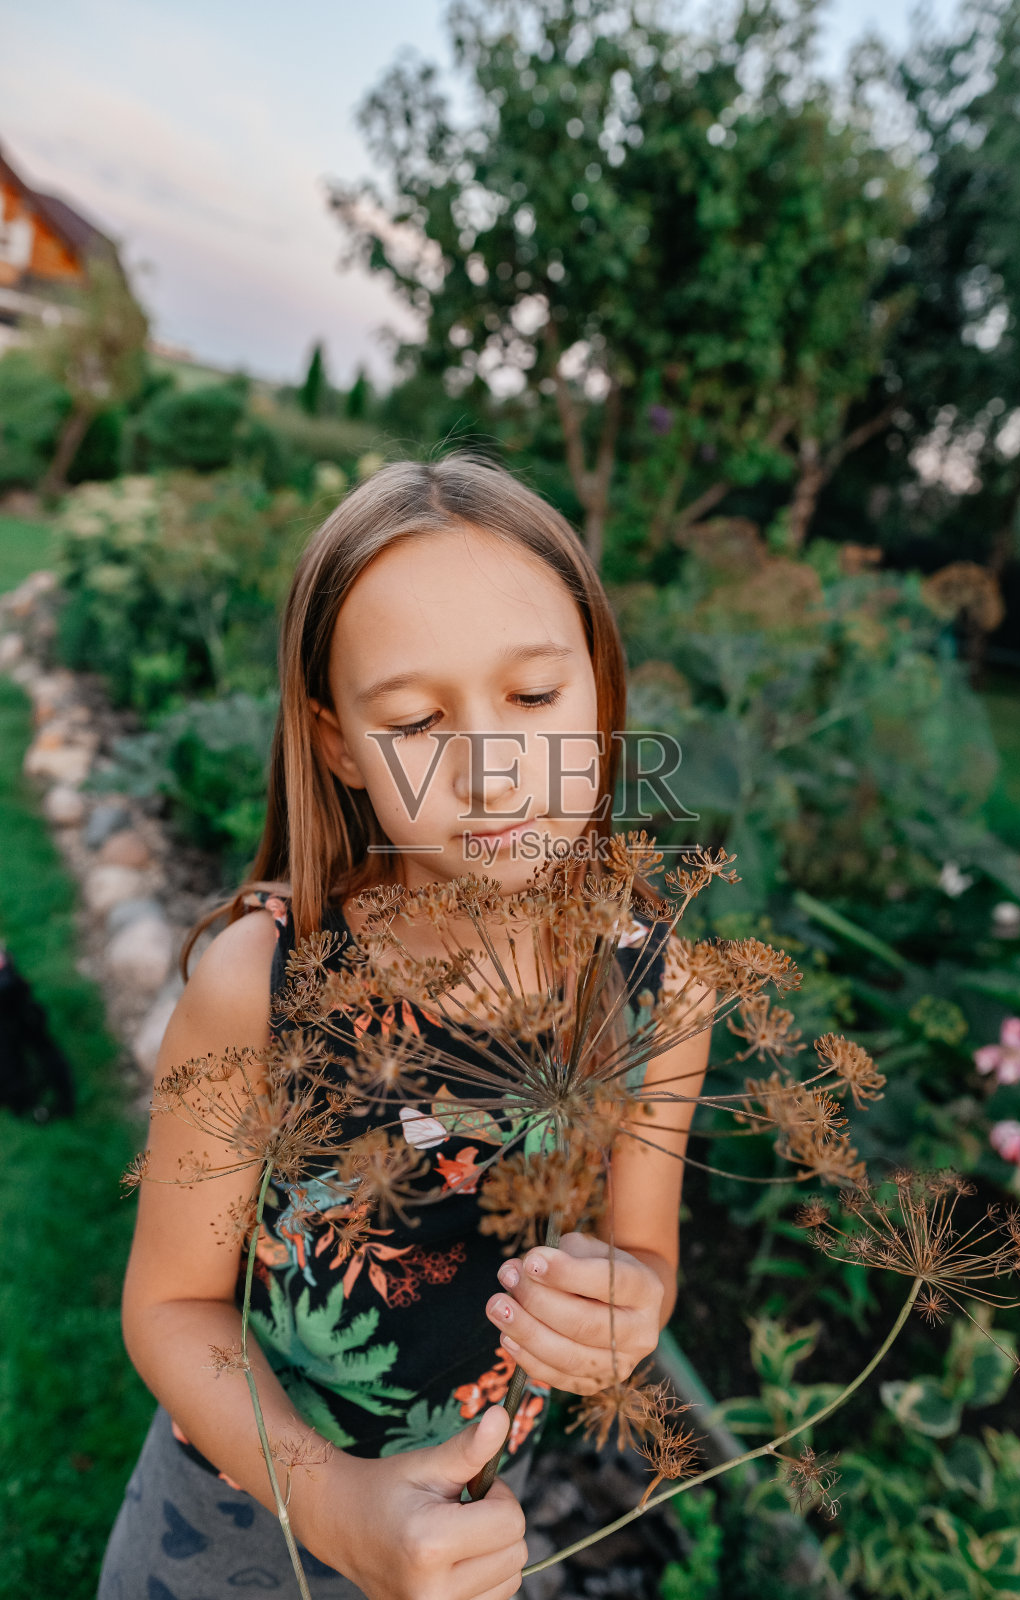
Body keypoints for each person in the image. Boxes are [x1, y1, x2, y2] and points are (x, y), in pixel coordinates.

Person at [97, 456, 711, 1600]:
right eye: (419, 719)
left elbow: (648, 1252)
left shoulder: (659, 995)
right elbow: (171, 1304)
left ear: (602, 689)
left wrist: (627, 1303)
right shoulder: (265, 980)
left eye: (534, 697)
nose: (491, 770)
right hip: (233, 1521)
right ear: (337, 746)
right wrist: (332, 1503)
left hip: (464, 1544)